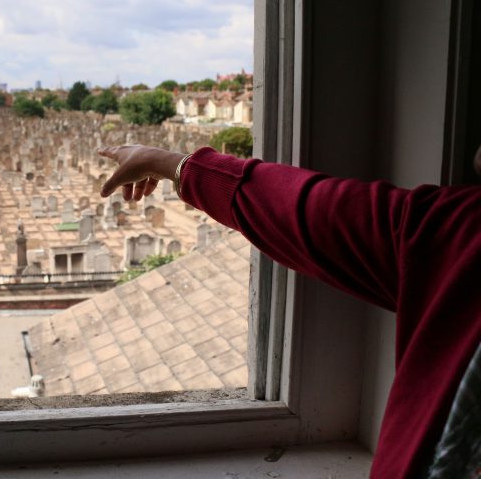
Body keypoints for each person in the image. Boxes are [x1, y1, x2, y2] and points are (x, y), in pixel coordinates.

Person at [98, 144, 481, 479]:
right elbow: (312, 211)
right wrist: (169, 163)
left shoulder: (464, 233)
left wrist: (171, 163)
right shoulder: (461, 231)